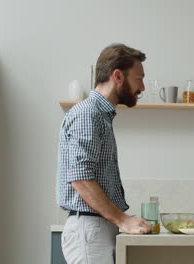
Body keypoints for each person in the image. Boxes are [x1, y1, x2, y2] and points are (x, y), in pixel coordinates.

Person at [56, 43, 152, 264]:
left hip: (97, 227)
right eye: (139, 79)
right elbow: (80, 177)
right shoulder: (87, 114)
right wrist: (122, 219)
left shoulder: (99, 115)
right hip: (90, 229)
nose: (142, 87)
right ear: (118, 76)